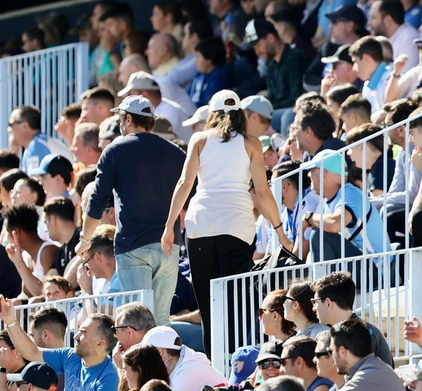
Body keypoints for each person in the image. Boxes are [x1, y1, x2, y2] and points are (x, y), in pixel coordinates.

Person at [161, 90, 293, 352]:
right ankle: (233, 365)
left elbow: (185, 184)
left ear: (212, 113)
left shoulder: (198, 139)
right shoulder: (252, 143)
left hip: (200, 226)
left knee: (208, 307)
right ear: (240, 115)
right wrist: (280, 232)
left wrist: (169, 227)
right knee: (236, 303)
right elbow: (263, 192)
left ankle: (215, 365)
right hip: (237, 226)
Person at [83, 96, 187, 325]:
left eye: (120, 118)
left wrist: (85, 239)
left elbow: (97, 201)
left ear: (128, 119)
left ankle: (145, 361)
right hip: (169, 245)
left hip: (133, 246)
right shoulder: (176, 153)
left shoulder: (114, 151)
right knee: (160, 321)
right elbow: (191, 194)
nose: (120, 123)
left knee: (139, 321)